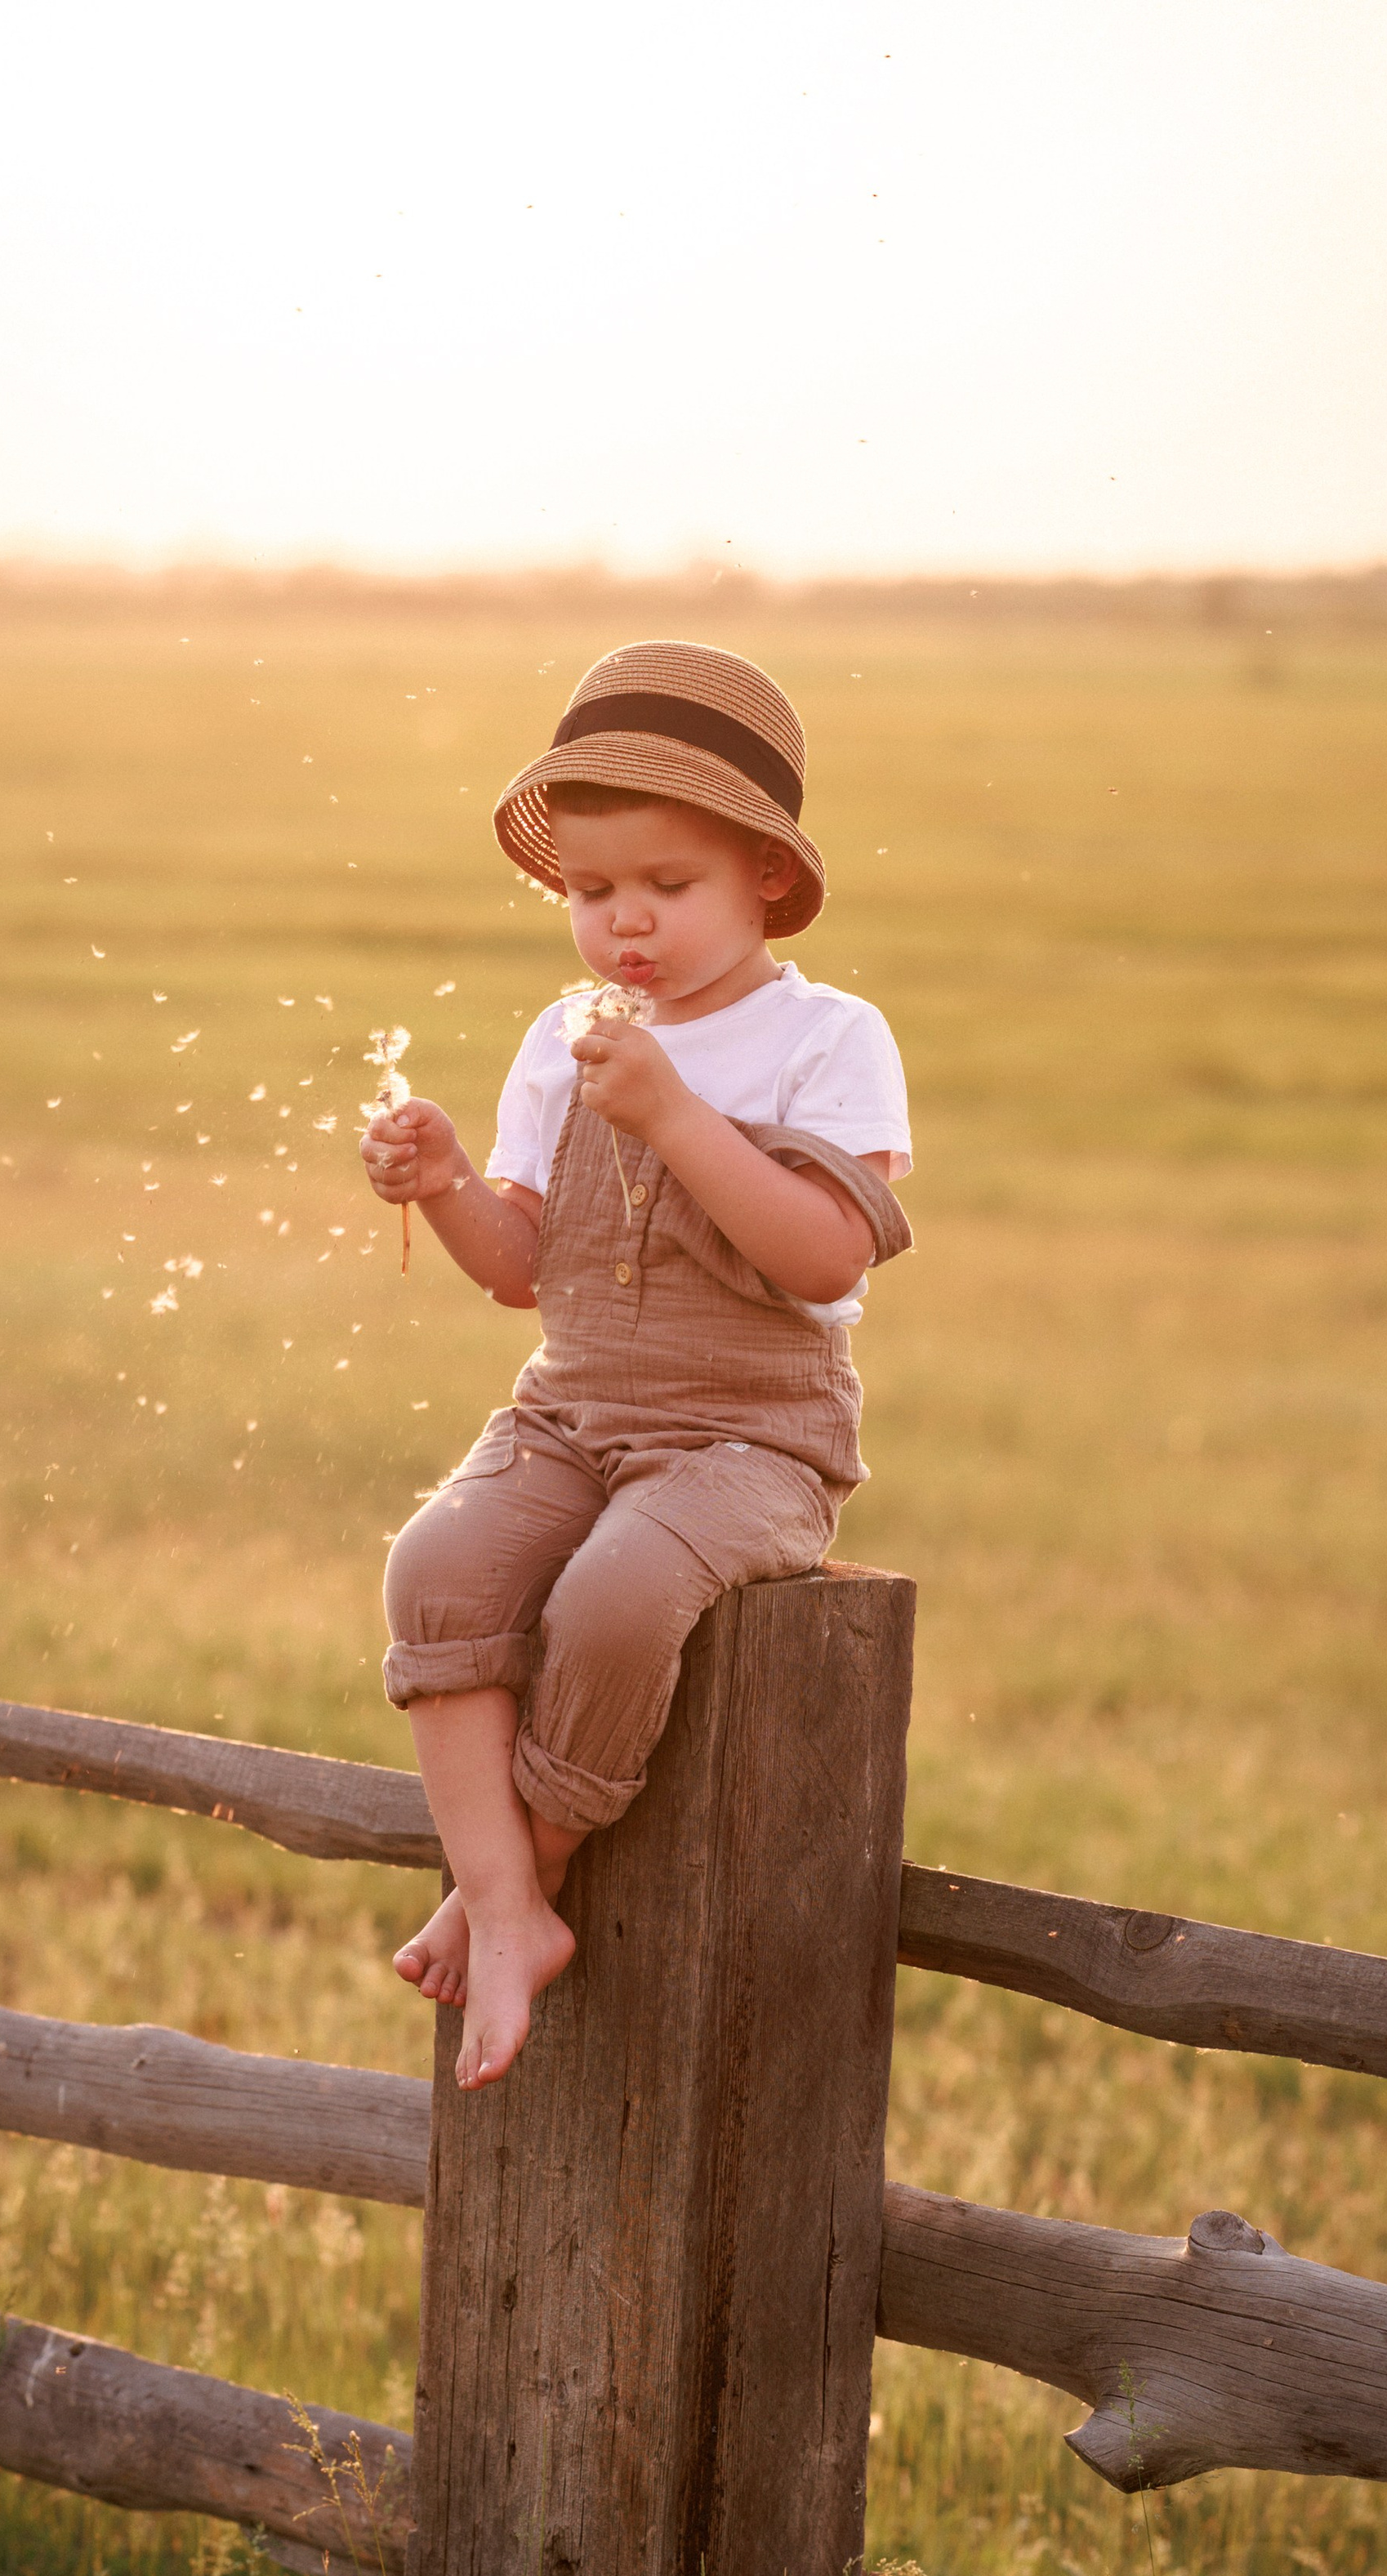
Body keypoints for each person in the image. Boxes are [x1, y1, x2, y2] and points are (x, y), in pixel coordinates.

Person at [359, 640, 913, 2087]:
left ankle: (501, 1887)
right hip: (578, 1413)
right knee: (436, 1565)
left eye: (668, 888)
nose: (627, 926)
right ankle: (507, 1904)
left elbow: (824, 1260)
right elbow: (517, 1268)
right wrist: (442, 1183)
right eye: (594, 893)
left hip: (752, 1442)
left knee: (616, 1595)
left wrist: (677, 1117)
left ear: (766, 883)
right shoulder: (566, 1037)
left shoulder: (824, 1040)